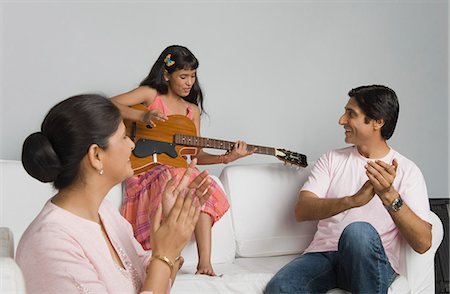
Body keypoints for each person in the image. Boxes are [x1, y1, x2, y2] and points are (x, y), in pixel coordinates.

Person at [17, 94, 215, 293]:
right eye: (123, 137)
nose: (132, 144)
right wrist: (164, 254)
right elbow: (158, 270)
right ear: (96, 156)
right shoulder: (51, 243)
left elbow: (155, 282)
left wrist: (172, 234)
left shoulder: (106, 212)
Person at [265, 85, 432, 293]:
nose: (341, 120)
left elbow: (423, 242)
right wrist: (353, 200)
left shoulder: (407, 171)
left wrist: (389, 195)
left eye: (350, 114)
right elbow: (302, 210)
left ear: (378, 122)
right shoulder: (332, 159)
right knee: (280, 287)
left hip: (369, 262)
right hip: (323, 255)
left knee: (358, 232)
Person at [112, 45, 255, 276]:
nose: (189, 82)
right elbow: (107, 104)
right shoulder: (151, 95)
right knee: (174, 175)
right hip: (145, 172)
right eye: (183, 76)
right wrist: (142, 115)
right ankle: (170, 256)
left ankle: (205, 263)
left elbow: (194, 156)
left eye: (193, 76)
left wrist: (227, 157)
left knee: (200, 181)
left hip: (175, 172)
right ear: (167, 75)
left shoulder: (192, 111)